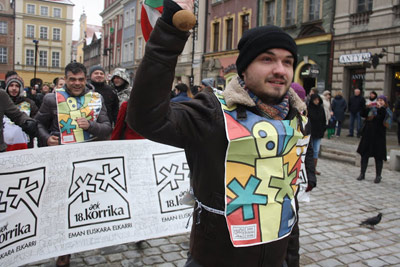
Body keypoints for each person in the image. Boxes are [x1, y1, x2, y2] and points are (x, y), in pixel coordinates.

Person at [126, 1, 316, 265]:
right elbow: (145, 118)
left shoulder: (297, 117)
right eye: (267, 59)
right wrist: (171, 28)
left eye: (287, 61)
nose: (280, 70)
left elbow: (287, 199)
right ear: (244, 68)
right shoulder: (212, 112)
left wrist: (290, 260)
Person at [35, 62, 112, 266]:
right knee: (60, 205)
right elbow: (38, 124)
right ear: (66, 78)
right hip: (60, 159)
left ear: (85, 79)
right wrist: (46, 138)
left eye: (80, 79)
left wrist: (92, 125)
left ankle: (75, 241)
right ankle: (63, 250)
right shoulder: (51, 99)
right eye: (72, 79)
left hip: (86, 160)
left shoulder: (96, 98)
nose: (77, 83)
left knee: (80, 204)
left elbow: (107, 128)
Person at [356, 95, 390, 184]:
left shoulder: (386, 110)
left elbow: (383, 120)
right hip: (368, 135)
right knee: (364, 155)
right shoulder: (372, 108)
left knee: (378, 157)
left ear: (385, 102)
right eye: (378, 100)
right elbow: (362, 114)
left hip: (379, 137)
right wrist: (366, 107)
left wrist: (379, 108)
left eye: (382, 100)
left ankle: (378, 175)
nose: (379, 101)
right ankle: (362, 173)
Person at [3, 74, 38, 150]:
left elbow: (36, 120)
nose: (14, 88)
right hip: (4, 144)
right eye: (11, 85)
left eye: (17, 86)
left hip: (24, 143)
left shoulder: (29, 103)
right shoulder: (2, 102)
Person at [307, 94, 326, 175]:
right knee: (309, 151)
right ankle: (308, 168)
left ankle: (314, 168)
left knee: (316, 151)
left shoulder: (321, 109)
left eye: (318, 100)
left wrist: (323, 129)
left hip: (318, 133)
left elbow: (323, 120)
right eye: (315, 100)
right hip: (310, 133)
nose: (316, 101)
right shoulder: (308, 108)